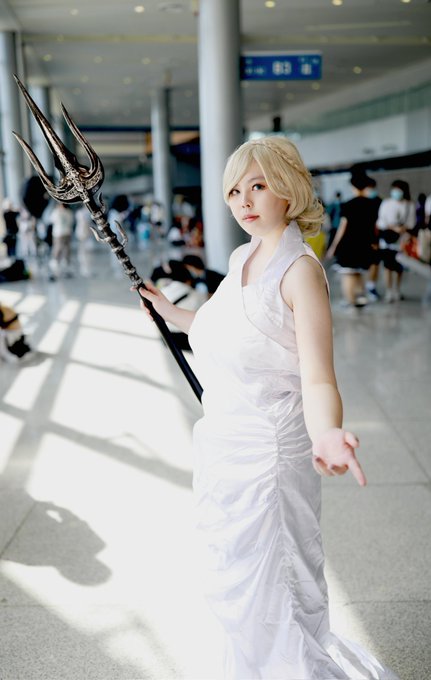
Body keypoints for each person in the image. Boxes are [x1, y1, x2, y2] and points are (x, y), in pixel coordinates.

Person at [134, 136, 399, 679]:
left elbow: (317, 375)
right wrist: (170, 313)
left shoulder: (300, 270)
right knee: (237, 579)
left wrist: (328, 432)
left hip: (271, 456)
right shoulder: (243, 257)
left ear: (288, 189)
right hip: (225, 446)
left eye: (258, 185)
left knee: (275, 581)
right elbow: (223, 330)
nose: (244, 200)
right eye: (234, 190)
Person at [326, 173, 379, 308]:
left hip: (348, 245)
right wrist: (374, 242)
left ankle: (350, 301)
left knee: (348, 274)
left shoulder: (348, 205)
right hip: (364, 244)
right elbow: (374, 227)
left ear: (353, 187)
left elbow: (342, 227)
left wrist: (333, 246)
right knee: (359, 272)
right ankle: (359, 299)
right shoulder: (372, 204)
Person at [376, 179, 415, 302]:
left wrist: (402, 229)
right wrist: (393, 227)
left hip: (402, 240)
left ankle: (397, 289)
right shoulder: (386, 203)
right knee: (387, 266)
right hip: (387, 239)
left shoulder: (409, 205)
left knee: (399, 267)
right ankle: (389, 290)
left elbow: (412, 223)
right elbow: (381, 222)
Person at [49, 203, 75, 280]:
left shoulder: (57, 212)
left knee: (57, 249)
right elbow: (71, 222)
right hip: (67, 232)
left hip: (58, 233)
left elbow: (51, 220)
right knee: (66, 249)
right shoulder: (69, 212)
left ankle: (55, 265)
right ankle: (66, 264)